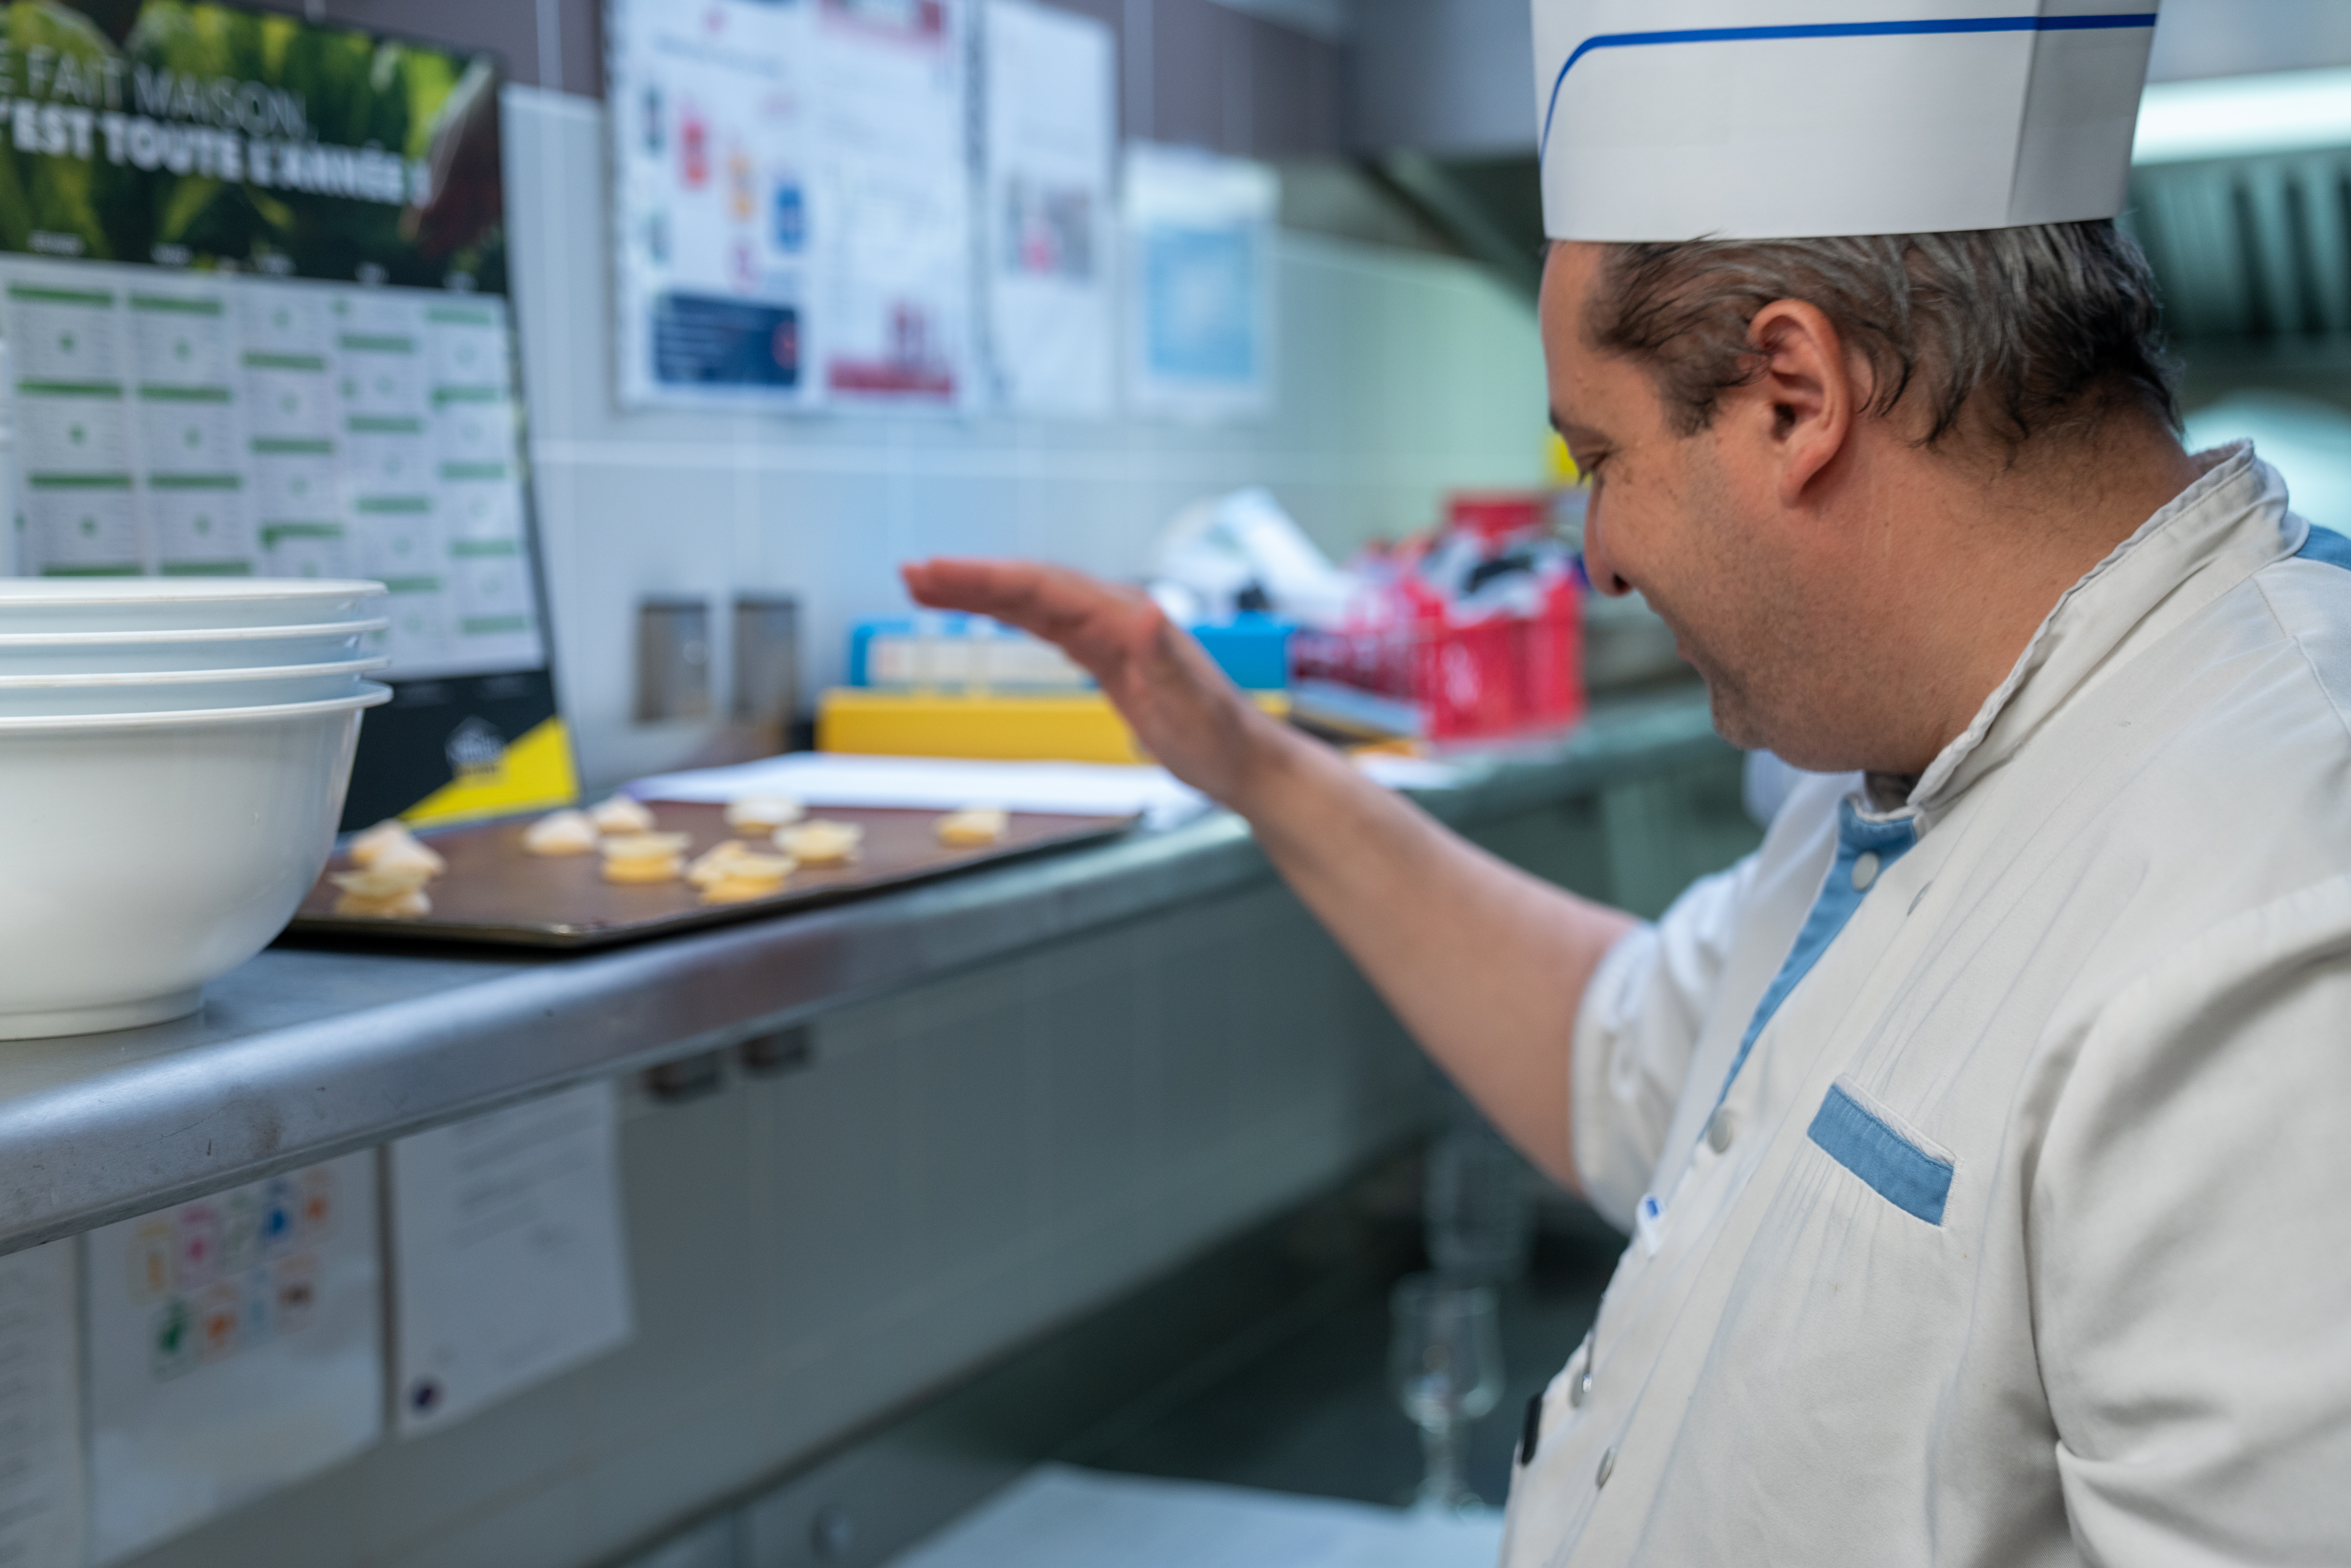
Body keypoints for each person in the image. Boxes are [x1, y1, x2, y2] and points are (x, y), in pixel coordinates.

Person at [907, 3, 2351, 1561]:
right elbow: (1627, 1059)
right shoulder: (1913, 741)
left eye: (1597, 462)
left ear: (1793, 399)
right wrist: (1248, 760)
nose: (1591, 555)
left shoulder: (2275, 917)